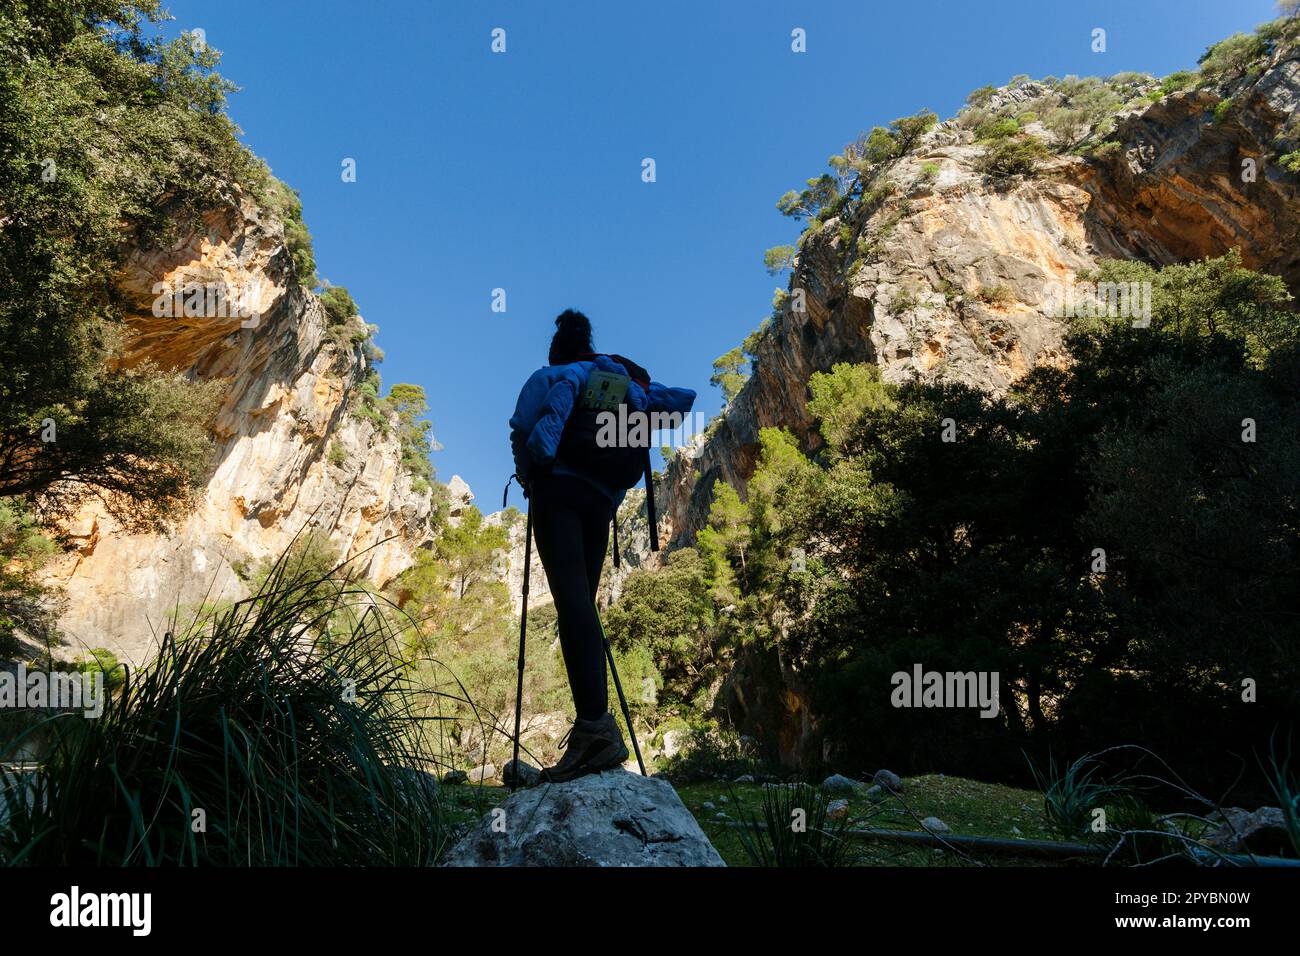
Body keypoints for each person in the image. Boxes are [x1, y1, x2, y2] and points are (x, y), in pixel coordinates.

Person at [508, 309, 695, 782]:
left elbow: (522, 427)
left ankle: (595, 729)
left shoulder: (551, 375)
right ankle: (596, 728)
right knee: (582, 608)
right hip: (601, 502)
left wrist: (530, 477)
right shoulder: (617, 378)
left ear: (558, 351)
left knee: (572, 606)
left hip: (559, 495)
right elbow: (674, 406)